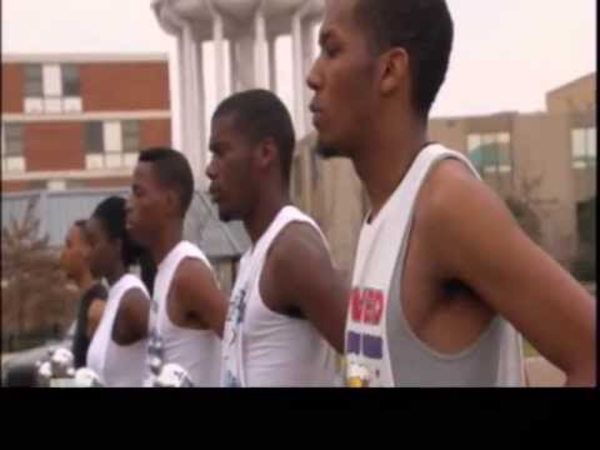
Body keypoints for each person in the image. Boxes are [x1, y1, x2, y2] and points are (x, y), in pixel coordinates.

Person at [306, 0, 596, 387]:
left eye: (331, 50)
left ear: (390, 70)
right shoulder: (382, 215)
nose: (312, 75)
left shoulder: (447, 204)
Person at [206, 89, 348, 387]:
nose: (210, 169)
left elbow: (371, 355)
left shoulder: (293, 249)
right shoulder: (255, 256)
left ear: (265, 154)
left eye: (221, 152)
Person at [126, 147, 226, 387]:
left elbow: (244, 345)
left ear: (169, 202)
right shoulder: (166, 271)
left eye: (138, 193)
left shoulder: (188, 273)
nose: (128, 205)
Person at [85, 196, 151, 387]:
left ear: (116, 245)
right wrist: (56, 383)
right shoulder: (115, 295)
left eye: (92, 243)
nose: (86, 253)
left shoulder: (132, 298)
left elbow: (168, 355)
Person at [59, 219, 107, 369]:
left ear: (87, 250)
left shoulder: (98, 304)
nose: (63, 254)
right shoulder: (85, 300)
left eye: (69, 245)